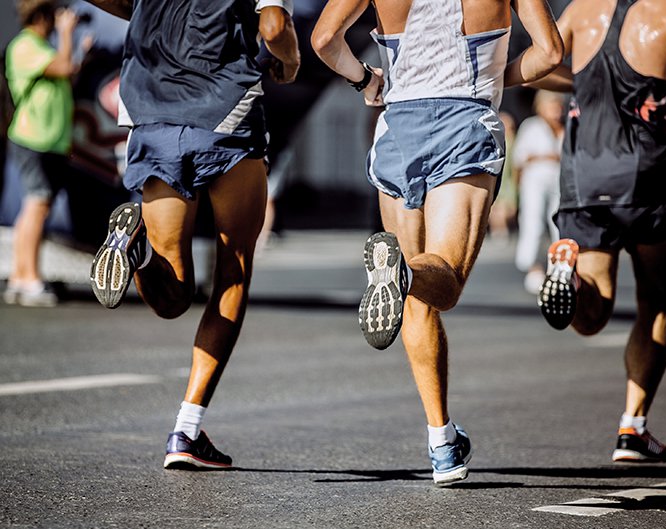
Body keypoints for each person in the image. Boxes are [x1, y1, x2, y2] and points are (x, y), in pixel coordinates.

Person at [312, 0, 563, 484]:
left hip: (397, 126)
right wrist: (499, 75)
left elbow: (324, 40)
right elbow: (549, 53)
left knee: (416, 303)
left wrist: (365, 81)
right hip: (465, 119)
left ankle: (442, 441)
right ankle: (403, 272)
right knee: (443, 281)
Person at [85, 0, 300, 469]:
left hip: (151, 111)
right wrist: (289, 58)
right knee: (233, 270)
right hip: (224, 111)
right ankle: (186, 429)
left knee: (173, 292)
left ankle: (137, 253)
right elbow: (274, 25)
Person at [536, 0, 666, 462]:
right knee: (656, 301)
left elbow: (539, 66)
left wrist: (586, 83)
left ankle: (571, 279)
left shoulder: (581, 11)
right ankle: (633, 427)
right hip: (647, 181)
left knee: (593, 315)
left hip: (583, 178)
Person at [3, 0, 79, 307]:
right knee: (37, 204)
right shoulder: (25, 46)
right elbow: (63, 67)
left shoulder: (40, 48)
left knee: (35, 206)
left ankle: (19, 277)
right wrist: (67, 33)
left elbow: (66, 73)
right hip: (32, 139)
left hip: (48, 142)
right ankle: (30, 278)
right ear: (42, 16)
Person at [513, 90, 564, 294]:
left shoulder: (565, 127)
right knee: (533, 222)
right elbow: (519, 158)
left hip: (559, 182)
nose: (556, 111)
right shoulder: (531, 126)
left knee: (559, 223)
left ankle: (560, 267)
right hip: (535, 181)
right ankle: (533, 267)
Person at [487, 111, 518, 242]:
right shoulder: (498, 141)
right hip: (500, 176)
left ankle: (500, 229)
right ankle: (499, 230)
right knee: (497, 206)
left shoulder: (513, 142)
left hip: (508, 179)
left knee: (508, 208)